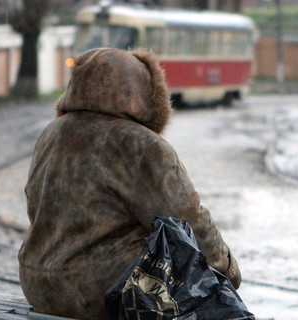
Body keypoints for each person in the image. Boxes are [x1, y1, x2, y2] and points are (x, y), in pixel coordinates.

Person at [18, 48, 241, 319]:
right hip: (105, 291)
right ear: (145, 91)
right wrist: (229, 271)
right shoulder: (142, 144)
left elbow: (35, 207)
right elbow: (187, 224)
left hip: (38, 282)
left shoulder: (52, 134)